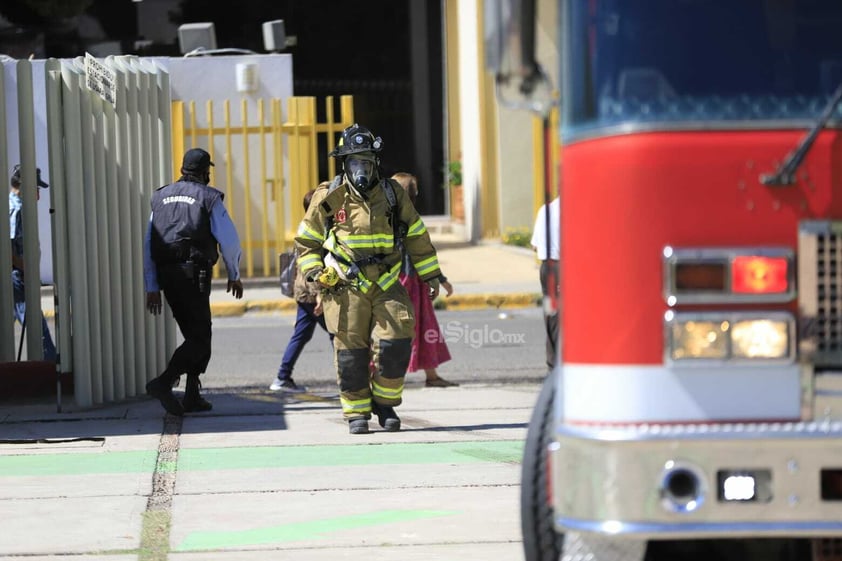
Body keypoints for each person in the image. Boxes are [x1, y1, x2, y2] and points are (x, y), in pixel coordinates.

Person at [295, 124, 445, 434]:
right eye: (354, 162)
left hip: (388, 282)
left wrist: (431, 274)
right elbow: (306, 241)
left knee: (397, 343)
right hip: (345, 284)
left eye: (365, 162)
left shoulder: (392, 193)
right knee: (351, 352)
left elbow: (416, 234)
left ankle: (384, 403)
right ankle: (356, 413)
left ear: (375, 163)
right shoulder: (330, 195)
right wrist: (315, 273)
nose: (360, 168)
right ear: (344, 163)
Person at [143, 148, 244, 416]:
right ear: (204, 172)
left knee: (195, 334)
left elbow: (148, 244)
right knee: (199, 338)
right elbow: (230, 240)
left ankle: (191, 395)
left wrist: (152, 286)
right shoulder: (209, 197)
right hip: (193, 275)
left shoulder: (160, 196)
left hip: (167, 276)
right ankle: (163, 383)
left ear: (182, 169)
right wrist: (234, 273)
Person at [391, 172, 458, 388]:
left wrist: (438, 278)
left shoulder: (386, 216)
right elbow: (423, 253)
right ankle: (394, 378)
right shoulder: (407, 218)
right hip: (408, 282)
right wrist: (439, 279)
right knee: (411, 329)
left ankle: (430, 375)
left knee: (415, 328)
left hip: (405, 281)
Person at [269, 186, 334, 393]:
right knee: (338, 333)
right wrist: (319, 296)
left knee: (302, 334)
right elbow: (315, 267)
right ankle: (350, 377)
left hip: (303, 291)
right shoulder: (317, 230)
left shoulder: (304, 226)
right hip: (312, 293)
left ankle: (282, 377)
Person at [9, 164, 56, 362]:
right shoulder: (17, 209)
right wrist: (25, 269)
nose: (38, 194)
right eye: (35, 189)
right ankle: (50, 368)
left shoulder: (16, 206)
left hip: (18, 273)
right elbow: (7, 246)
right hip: (17, 275)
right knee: (36, 323)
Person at [530, 196, 560, 370]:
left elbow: (535, 245)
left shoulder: (546, 209)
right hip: (563, 266)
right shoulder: (574, 209)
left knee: (552, 315)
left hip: (547, 269)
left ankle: (552, 362)